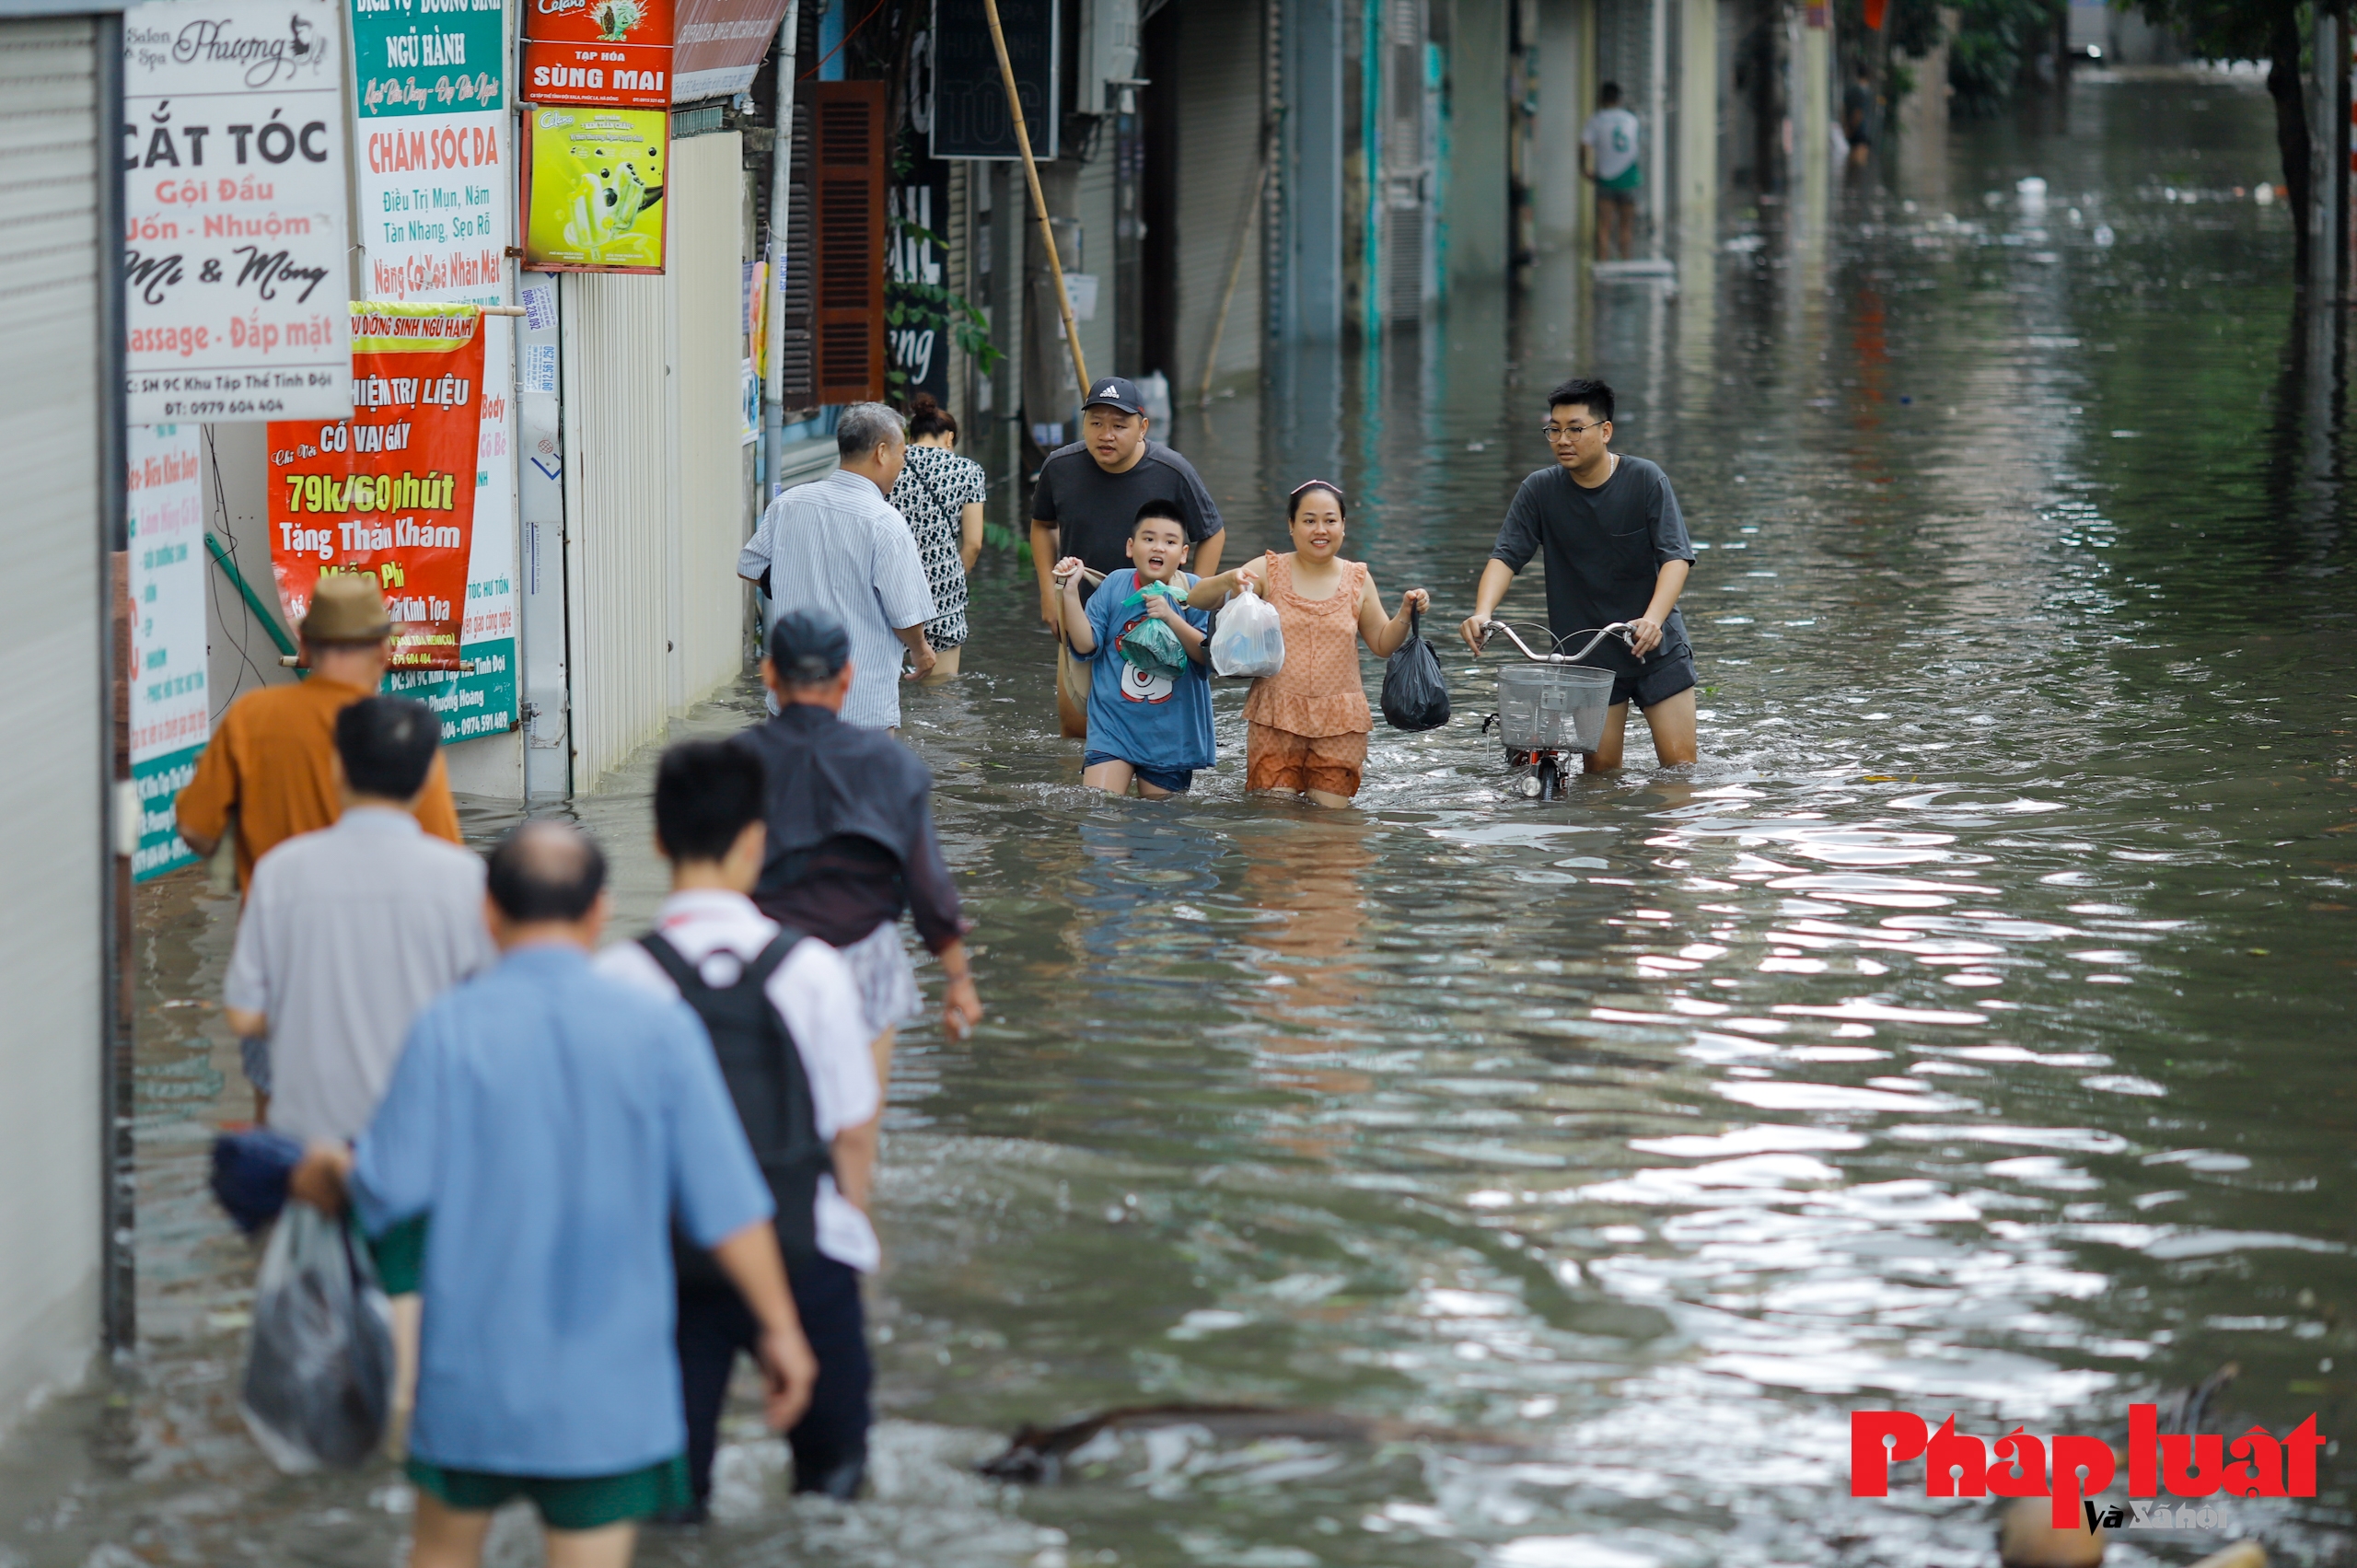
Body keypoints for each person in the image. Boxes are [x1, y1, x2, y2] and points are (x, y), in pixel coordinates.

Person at [287, 821, 819, 1568]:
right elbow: (728, 1207)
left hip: (472, 1379)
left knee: (440, 1554)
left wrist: (323, 1169)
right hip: (606, 1392)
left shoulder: (447, 1027)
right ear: (600, 911)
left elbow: (387, 1191)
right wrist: (781, 1329)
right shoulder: (660, 1029)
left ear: (489, 913)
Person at [596, 741, 882, 1513]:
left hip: (667, 1266)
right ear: (756, 840)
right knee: (833, 1486)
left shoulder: (619, 978)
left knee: (667, 1504)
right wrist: (843, 1234)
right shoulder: (811, 968)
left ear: (658, 839)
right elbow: (852, 1131)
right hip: (801, 1254)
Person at [734, 610, 983, 1089]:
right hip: (862, 955)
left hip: (767, 962)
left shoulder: (734, 763)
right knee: (854, 1137)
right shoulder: (890, 765)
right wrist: (958, 980)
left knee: (771, 1121)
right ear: (846, 677)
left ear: (770, 675)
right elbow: (927, 885)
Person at [224, 695, 493, 1140]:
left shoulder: (279, 874)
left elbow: (243, 1015)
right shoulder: (465, 880)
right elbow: (487, 1015)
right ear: (429, 776)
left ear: (337, 768)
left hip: (309, 1151)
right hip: (420, 1143)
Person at [1458, 377, 1699, 773]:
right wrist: (1483, 612)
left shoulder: (1645, 479)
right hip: (1588, 658)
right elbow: (1506, 556)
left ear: (1605, 431)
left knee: (1679, 771)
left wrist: (1654, 620)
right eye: (1554, 429)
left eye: (1574, 428)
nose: (1562, 439)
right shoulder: (1539, 490)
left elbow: (1675, 557)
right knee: (1600, 776)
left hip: (1655, 646)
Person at [176, 573, 463, 893]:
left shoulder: (249, 717)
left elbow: (195, 828)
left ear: (305, 648)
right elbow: (445, 862)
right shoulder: (403, 737)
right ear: (384, 651)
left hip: (273, 930)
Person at [1186, 482, 1430, 808]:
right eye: (1309, 520)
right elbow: (1196, 599)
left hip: (1340, 722)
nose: (1320, 530)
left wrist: (1404, 613)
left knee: (1329, 829)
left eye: (1330, 520)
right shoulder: (1268, 569)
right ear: (1291, 526)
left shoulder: (1358, 578)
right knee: (1275, 824)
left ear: (1343, 526)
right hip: (1275, 715)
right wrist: (1229, 580)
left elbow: (1382, 645)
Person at [1028, 377, 1226, 738]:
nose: (1106, 435)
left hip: (1154, 616)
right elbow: (1042, 525)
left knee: (1153, 719)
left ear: (1142, 427)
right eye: (1096, 423)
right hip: (1083, 609)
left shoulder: (1172, 470)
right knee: (1076, 726)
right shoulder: (1060, 467)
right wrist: (1047, 592)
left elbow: (1211, 533)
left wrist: (1192, 598)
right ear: (1083, 423)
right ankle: (1087, 796)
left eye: (1119, 426)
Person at [737, 402, 936, 730]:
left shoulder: (789, 503)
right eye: (903, 453)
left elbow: (749, 566)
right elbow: (906, 615)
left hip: (791, 699)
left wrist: (790, 581)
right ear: (882, 452)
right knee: (863, 783)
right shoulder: (885, 523)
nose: (904, 463)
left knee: (790, 781)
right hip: (859, 706)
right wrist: (921, 650)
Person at [1051, 501, 1215, 798]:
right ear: (1130, 547)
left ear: (1183, 554)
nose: (1158, 548)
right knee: (1100, 816)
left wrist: (1169, 616)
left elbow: (1207, 657)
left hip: (1170, 735)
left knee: (1157, 830)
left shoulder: (1195, 592)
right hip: (1113, 727)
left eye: (1170, 541)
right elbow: (1086, 644)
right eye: (1148, 539)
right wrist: (1070, 591)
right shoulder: (1114, 585)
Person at [887, 393, 986, 679]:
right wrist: (952, 577)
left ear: (910, 435)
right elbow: (973, 544)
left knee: (890, 687)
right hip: (943, 592)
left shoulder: (890, 463)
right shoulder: (967, 471)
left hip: (893, 583)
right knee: (942, 691)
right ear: (949, 438)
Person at [1581, 82, 1642, 261]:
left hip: (1605, 178)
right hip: (1629, 177)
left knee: (1604, 226)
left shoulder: (1596, 120)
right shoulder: (1631, 119)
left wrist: (1584, 169)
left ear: (1601, 98)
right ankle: (1625, 260)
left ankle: (1603, 262)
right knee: (1626, 226)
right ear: (1619, 99)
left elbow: (1584, 146)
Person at [1842, 61, 1875, 168]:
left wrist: (1846, 128)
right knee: (1859, 166)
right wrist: (1852, 128)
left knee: (1852, 165)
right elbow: (1858, 113)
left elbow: (1842, 109)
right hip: (1861, 133)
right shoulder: (1865, 92)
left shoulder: (1851, 90)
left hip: (1853, 131)